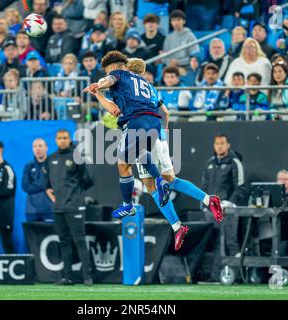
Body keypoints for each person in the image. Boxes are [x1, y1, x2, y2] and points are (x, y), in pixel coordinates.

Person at [102, 58, 223, 250]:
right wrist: (164, 134)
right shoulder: (149, 87)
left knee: (152, 185)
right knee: (170, 179)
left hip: (140, 131)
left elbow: (115, 110)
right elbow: (165, 111)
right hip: (159, 134)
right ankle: (207, 200)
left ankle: (178, 224)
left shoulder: (125, 85)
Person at [83, 50, 171, 217]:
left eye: (107, 69)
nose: (107, 73)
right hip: (153, 122)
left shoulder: (118, 74)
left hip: (136, 121)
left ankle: (128, 205)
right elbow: (115, 110)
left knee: (122, 164)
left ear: (114, 66)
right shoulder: (144, 83)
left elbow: (109, 79)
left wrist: (99, 84)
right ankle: (160, 182)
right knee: (141, 154)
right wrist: (98, 93)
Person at [45, 129, 93, 285]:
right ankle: (67, 277)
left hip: (74, 206)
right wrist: (53, 197)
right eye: (59, 138)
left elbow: (88, 180)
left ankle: (87, 277)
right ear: (55, 140)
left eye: (65, 138)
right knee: (64, 242)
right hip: (58, 208)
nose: (62, 141)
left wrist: (75, 194)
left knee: (80, 241)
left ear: (69, 139)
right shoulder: (50, 158)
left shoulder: (77, 156)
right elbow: (47, 184)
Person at [202, 134, 247, 281]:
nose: (219, 146)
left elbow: (241, 186)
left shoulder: (235, 162)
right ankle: (215, 276)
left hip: (228, 211)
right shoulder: (209, 163)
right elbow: (204, 187)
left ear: (228, 145)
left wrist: (230, 202)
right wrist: (204, 204)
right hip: (210, 211)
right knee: (215, 242)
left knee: (230, 241)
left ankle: (239, 276)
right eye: (217, 143)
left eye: (222, 143)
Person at [22, 138, 53, 223]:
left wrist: (35, 184)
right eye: (34, 146)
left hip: (49, 210)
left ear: (46, 148)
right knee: (32, 236)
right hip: (31, 211)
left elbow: (54, 184)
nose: (37, 149)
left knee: (50, 236)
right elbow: (25, 187)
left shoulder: (53, 164)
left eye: (40, 146)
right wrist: (45, 185)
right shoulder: (28, 166)